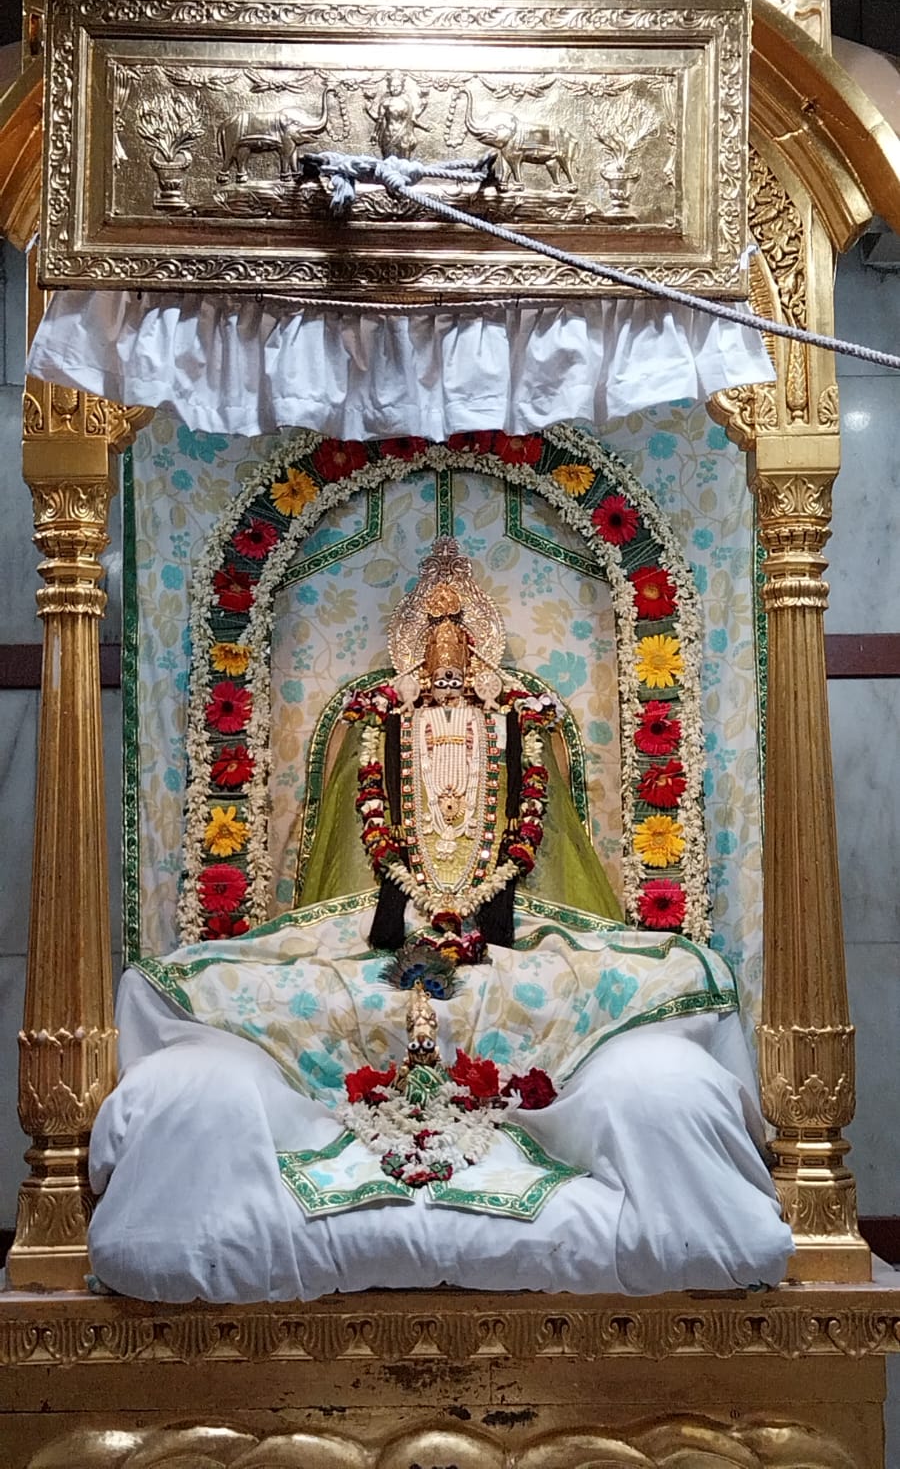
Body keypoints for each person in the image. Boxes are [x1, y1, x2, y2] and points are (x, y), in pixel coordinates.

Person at [87, 540, 792, 1302]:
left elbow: (535, 832)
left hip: (506, 920)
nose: (446, 638)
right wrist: (402, 902)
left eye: (459, 625)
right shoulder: (377, 716)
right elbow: (353, 840)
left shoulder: (518, 716)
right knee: (271, 989)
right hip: (383, 917)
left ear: (479, 634)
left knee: (639, 984)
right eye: (433, 626)